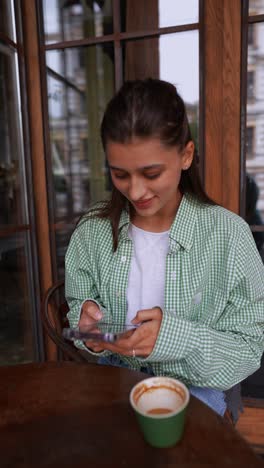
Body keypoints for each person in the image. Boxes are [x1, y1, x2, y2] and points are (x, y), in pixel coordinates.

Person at [65, 78, 264, 422]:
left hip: (197, 386)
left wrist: (176, 338)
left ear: (186, 155)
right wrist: (89, 330)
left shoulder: (228, 235)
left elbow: (248, 349)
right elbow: (77, 313)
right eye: (120, 174)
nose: (136, 190)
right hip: (113, 375)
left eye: (151, 172)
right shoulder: (93, 232)